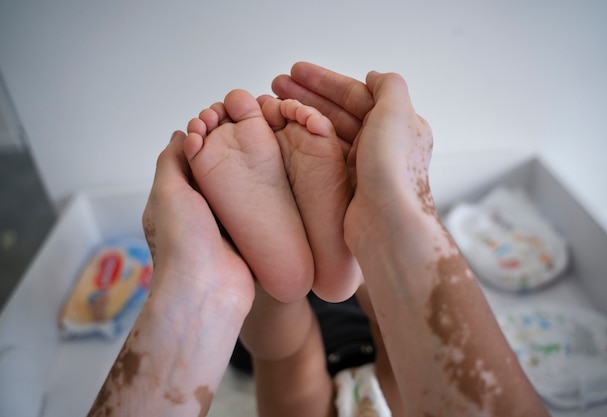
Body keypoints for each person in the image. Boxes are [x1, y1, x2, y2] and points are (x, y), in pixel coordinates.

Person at [87, 63, 550, 417]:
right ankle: (345, 245)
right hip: (389, 372)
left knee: (295, 348)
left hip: (400, 375)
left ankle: (307, 265)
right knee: (288, 354)